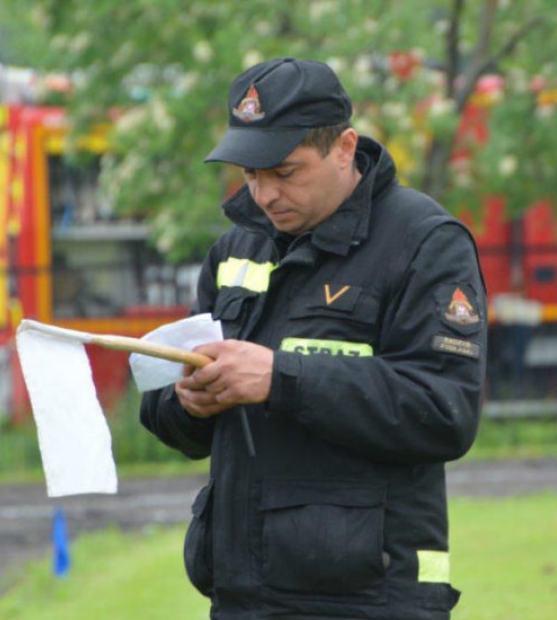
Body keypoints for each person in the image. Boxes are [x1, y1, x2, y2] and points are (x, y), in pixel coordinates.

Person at [140, 57, 486, 619]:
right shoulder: (235, 251)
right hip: (242, 596)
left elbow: (444, 409)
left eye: (285, 172)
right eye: (251, 175)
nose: (264, 195)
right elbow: (169, 416)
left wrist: (281, 379)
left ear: (345, 148)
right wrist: (185, 402)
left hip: (370, 599)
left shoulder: (425, 243)